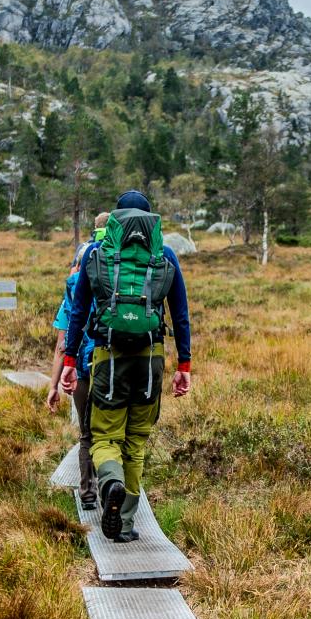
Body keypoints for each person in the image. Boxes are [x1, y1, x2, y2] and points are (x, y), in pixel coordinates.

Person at [58, 190, 192, 543]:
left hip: (108, 357)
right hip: (150, 360)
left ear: (116, 218)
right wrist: (184, 365)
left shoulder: (96, 253)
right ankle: (127, 523)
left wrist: (69, 361)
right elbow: (180, 314)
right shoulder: (165, 255)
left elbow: (78, 312)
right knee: (136, 441)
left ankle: (110, 483)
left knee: (105, 436)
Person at [48, 212, 111, 509]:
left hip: (82, 370)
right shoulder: (116, 276)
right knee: (110, 433)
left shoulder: (72, 290)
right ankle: (112, 489)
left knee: (87, 433)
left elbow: (62, 345)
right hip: (112, 366)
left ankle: (87, 493)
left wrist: (53, 386)